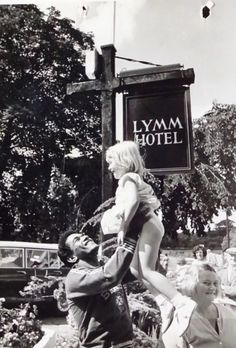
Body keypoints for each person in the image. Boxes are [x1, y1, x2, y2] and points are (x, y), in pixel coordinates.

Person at [101, 140, 196, 334]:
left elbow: (134, 202)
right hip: (148, 224)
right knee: (136, 269)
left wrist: (122, 227)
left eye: (111, 162)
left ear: (123, 161)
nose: (109, 167)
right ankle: (163, 302)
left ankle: (181, 303)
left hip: (148, 224)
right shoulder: (132, 178)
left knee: (146, 269)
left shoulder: (127, 178)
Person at [58, 227, 139, 348]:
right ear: (72, 258)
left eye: (82, 235)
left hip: (126, 343)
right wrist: (132, 230)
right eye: (77, 240)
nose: (84, 237)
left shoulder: (105, 265)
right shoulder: (75, 278)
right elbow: (110, 276)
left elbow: (137, 270)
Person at [162, 263, 236, 348]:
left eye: (215, 283)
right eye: (207, 283)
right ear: (190, 284)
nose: (213, 288)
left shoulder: (229, 313)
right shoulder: (180, 320)